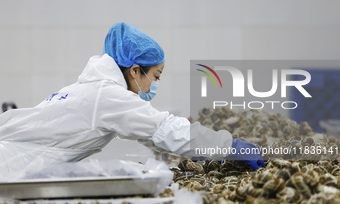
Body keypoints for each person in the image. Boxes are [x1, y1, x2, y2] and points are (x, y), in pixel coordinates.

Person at [0, 23, 264, 177]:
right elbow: (165, 130)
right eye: (156, 76)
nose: (154, 85)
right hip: (9, 167)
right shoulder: (108, 97)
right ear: (135, 70)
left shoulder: (88, 89)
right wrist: (228, 145)